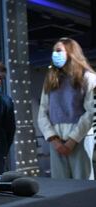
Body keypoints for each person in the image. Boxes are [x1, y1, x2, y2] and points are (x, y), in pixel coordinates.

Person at [38, 37, 96, 180]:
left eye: (58, 51)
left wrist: (72, 141)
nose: (54, 54)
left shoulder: (89, 77)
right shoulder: (51, 79)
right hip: (56, 140)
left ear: (71, 52)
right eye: (53, 51)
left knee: (82, 185)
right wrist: (54, 140)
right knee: (60, 186)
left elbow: (91, 112)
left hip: (80, 139)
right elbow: (42, 111)